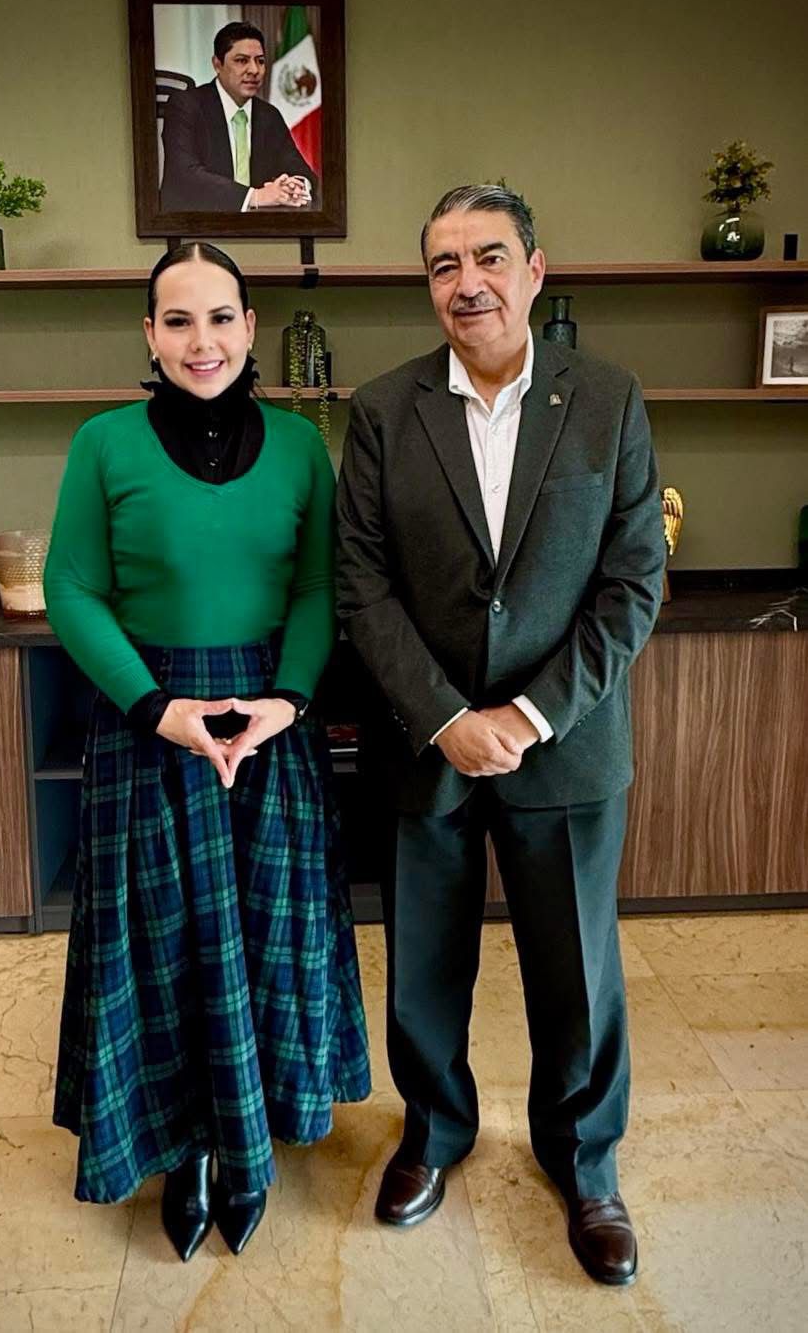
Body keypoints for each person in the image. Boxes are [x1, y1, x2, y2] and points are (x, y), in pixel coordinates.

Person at [336, 184, 665, 1287]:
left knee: (578, 973)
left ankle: (585, 1161)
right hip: (423, 744)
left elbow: (632, 583)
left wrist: (525, 717)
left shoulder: (609, 399)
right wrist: (445, 719)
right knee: (423, 964)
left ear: (534, 269)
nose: (467, 282)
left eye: (488, 257)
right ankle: (434, 1132)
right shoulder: (383, 411)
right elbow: (361, 585)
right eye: (444, 265)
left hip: (563, 744)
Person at [44, 242, 370, 1260]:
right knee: (160, 944)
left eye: (221, 317)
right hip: (149, 722)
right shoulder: (102, 444)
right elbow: (70, 587)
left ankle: (245, 1148)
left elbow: (317, 587)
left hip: (271, 723)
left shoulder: (303, 446)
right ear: (149, 334)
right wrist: (157, 709)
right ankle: (181, 1150)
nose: (202, 341)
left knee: (269, 938)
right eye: (178, 320)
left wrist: (287, 700)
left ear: (250, 326)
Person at [160, 21, 317, 213]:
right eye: (242, 61)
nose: (254, 70)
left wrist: (295, 186)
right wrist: (255, 196)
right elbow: (185, 176)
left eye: (260, 61)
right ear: (217, 64)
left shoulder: (269, 115)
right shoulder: (186, 105)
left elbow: (299, 169)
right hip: (196, 223)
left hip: (259, 227)